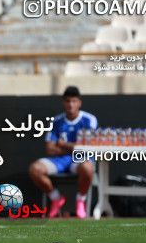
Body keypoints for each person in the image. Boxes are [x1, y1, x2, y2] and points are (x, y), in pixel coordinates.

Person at [28, 86, 97, 219]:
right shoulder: (56, 121)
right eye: (67, 101)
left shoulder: (89, 120)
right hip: (60, 160)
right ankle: (56, 198)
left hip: (79, 159)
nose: (71, 105)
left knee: (88, 168)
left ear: (79, 103)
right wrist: (74, 146)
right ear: (63, 103)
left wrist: (63, 144)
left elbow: (86, 147)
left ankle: (80, 200)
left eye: (74, 101)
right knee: (35, 169)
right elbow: (49, 149)